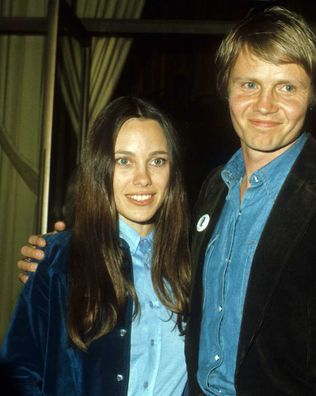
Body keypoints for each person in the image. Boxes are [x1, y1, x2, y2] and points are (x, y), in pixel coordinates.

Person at [16, 6, 316, 395]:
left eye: (286, 86)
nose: (264, 105)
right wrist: (66, 255)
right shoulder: (214, 190)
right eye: (249, 84)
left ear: (314, 92)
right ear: (226, 88)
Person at [2, 96, 191, 395]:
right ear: (101, 168)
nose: (143, 178)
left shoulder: (192, 267)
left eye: (157, 161)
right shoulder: (58, 259)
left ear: (172, 171)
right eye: (124, 161)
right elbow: (19, 373)